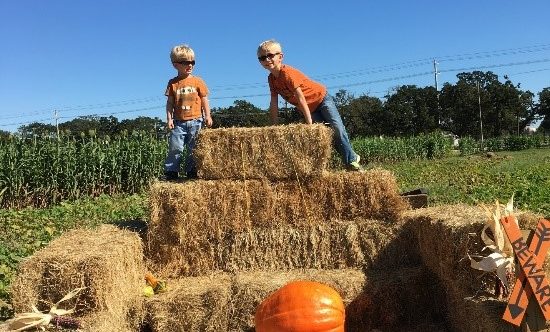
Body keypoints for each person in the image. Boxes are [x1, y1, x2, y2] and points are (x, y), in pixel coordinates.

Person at [256, 39, 362, 171]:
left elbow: (301, 98)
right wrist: (273, 126)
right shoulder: (271, 79)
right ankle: (348, 161)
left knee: (337, 128)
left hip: (322, 99)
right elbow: (274, 103)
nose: (266, 60)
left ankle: (351, 160)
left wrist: (309, 123)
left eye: (270, 55)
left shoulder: (287, 73)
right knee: (327, 135)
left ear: (280, 57)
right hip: (310, 108)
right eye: (262, 58)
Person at [163, 44, 212, 180]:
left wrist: (207, 116)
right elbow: (170, 103)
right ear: (175, 65)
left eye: (192, 62)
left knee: (193, 148)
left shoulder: (198, 81)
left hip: (196, 120)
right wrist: (169, 119)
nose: (190, 65)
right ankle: (171, 171)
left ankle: (191, 171)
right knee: (175, 147)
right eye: (185, 62)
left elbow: (204, 100)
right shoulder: (173, 83)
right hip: (178, 122)